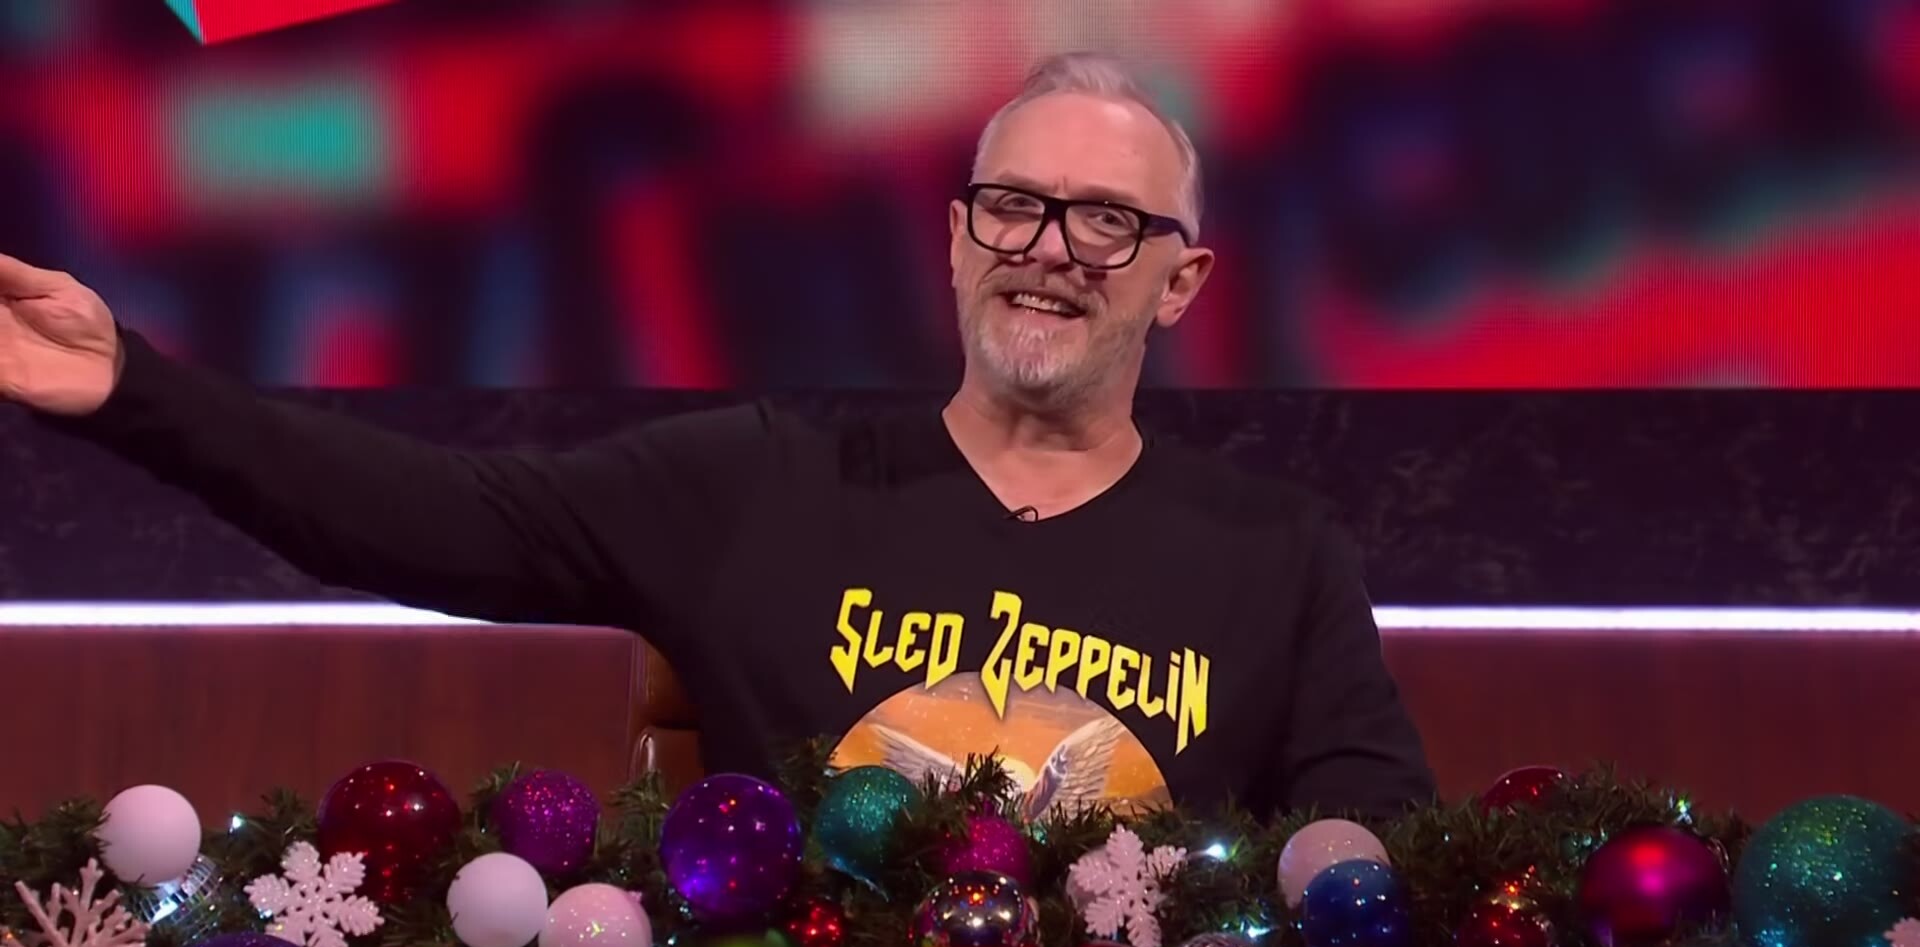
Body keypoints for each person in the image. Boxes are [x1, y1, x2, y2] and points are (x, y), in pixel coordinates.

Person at [0, 52, 1434, 820]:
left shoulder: (1274, 556)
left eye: (1107, 220)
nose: (1048, 249)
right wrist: (133, 385)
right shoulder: (761, 485)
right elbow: (425, 514)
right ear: (953, 240)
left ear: (1182, 280)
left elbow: (1377, 848)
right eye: (1012, 206)